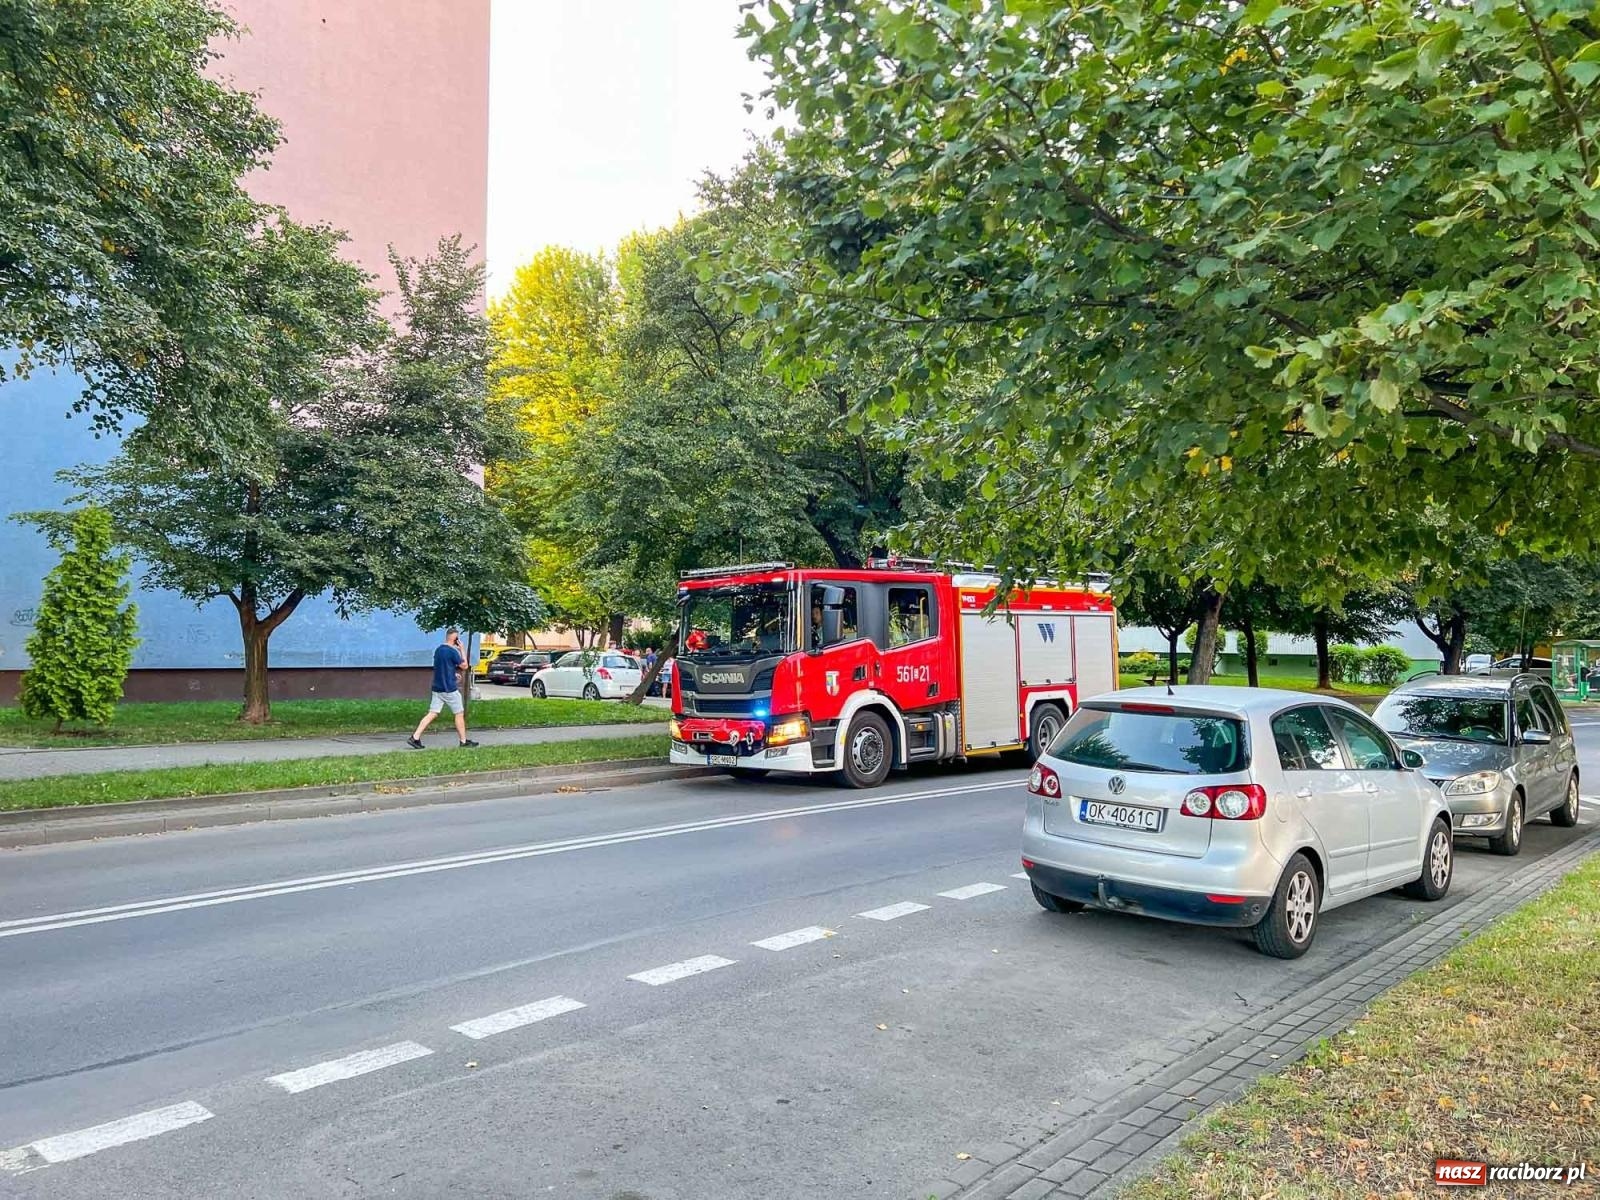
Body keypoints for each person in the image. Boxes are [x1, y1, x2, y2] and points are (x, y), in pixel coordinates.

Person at [407, 629, 478, 748]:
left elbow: (442, 667)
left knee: (432, 713)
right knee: (459, 713)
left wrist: (453, 674)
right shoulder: (452, 651)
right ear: (455, 639)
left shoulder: (439, 650)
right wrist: (462, 649)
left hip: (437, 687)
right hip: (449, 689)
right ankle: (463, 741)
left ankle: (415, 737)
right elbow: (464, 666)